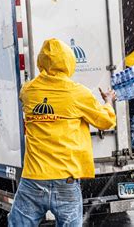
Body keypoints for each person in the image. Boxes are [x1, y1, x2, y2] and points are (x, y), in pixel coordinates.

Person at [8, 38, 116, 227]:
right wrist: (108, 102)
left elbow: (27, 97)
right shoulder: (77, 93)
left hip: (33, 178)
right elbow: (106, 122)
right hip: (65, 180)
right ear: (69, 62)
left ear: (41, 62)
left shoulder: (28, 91)